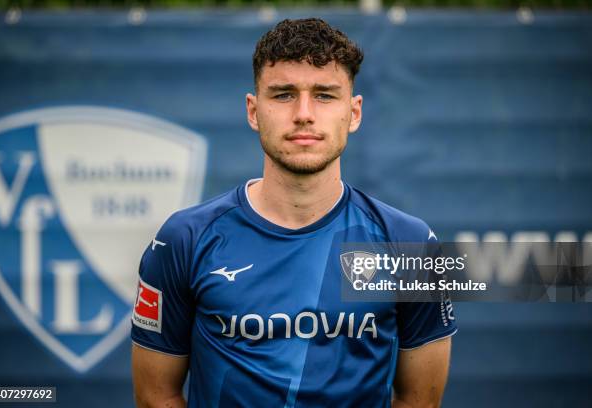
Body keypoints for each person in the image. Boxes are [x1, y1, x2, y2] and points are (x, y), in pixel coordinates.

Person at [131, 18, 456, 408]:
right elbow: (156, 397)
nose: (304, 113)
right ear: (254, 111)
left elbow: (420, 401)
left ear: (353, 113)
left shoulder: (412, 244)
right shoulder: (183, 239)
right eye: (284, 95)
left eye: (324, 95)